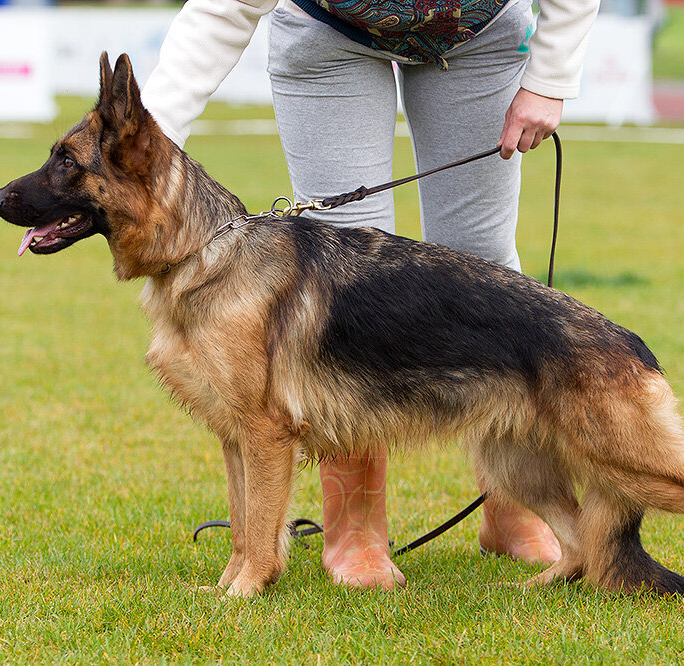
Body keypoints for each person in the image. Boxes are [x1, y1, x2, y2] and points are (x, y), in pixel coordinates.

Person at [141, 0, 600, 588]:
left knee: (480, 257)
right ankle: (354, 530)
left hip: (476, 33)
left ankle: (513, 509)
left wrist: (549, 78)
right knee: (348, 282)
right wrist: (148, 141)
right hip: (330, 30)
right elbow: (222, 9)